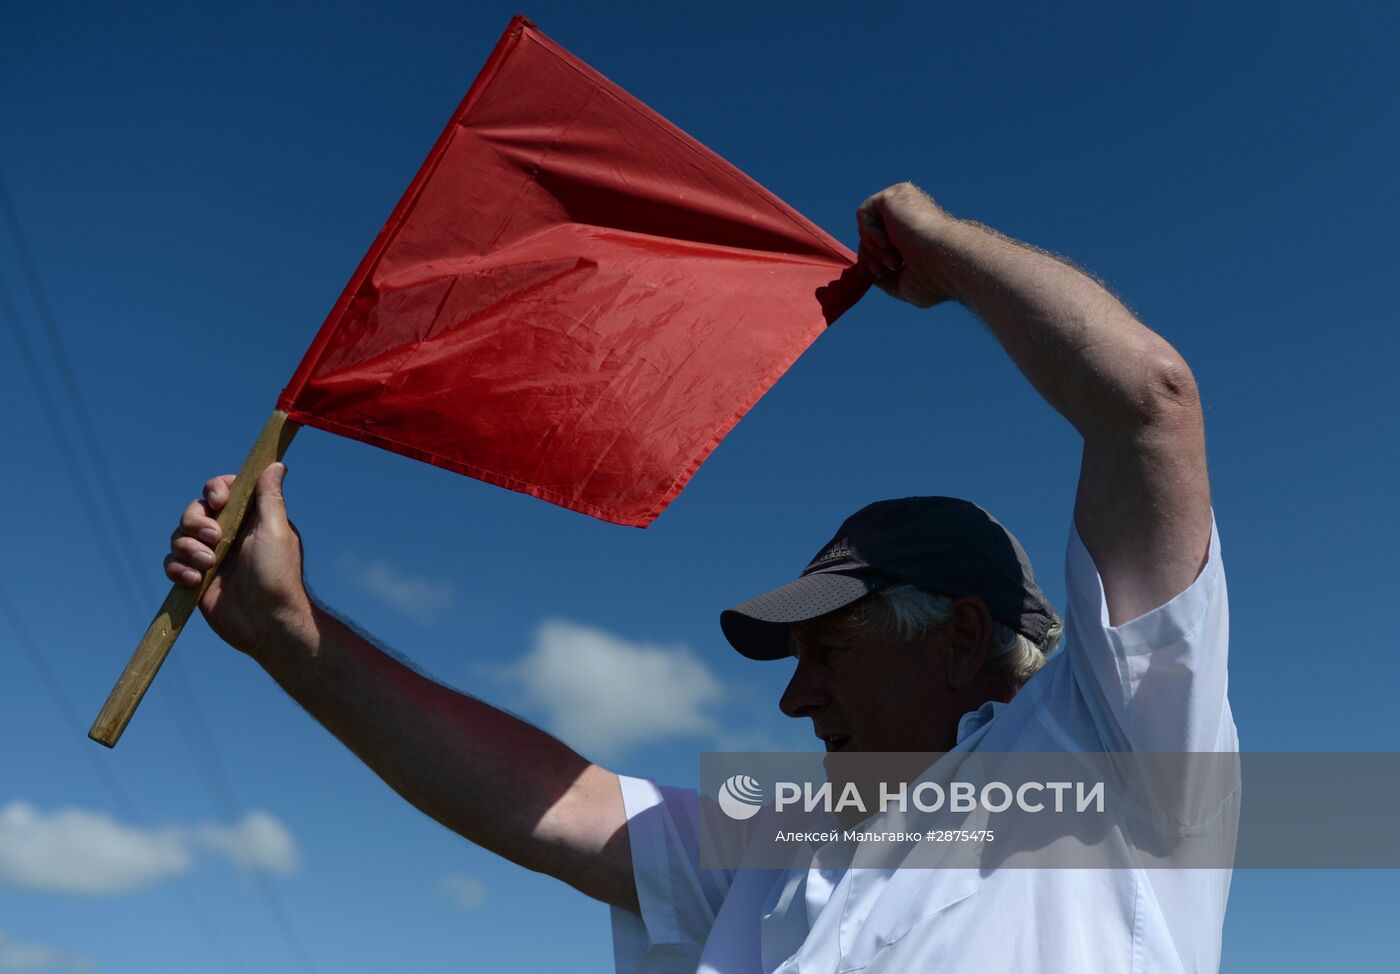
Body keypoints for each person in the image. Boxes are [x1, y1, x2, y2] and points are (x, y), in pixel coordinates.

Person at [166, 182, 1234, 972]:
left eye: (829, 646)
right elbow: (548, 805)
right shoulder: (782, 847)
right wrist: (291, 636)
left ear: (959, 637)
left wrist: (949, 255)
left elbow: (1147, 402)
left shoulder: (1109, 750)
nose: (793, 696)